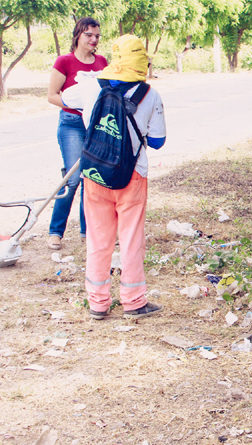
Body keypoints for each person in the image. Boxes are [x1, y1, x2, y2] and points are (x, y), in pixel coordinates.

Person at [61, 35, 166, 320]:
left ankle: (97, 303)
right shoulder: (149, 94)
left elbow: (62, 99)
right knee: (131, 240)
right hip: (132, 175)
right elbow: (158, 141)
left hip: (95, 174)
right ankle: (133, 302)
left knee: (97, 240)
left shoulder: (88, 86)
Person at [46, 17, 108, 250]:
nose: (93, 40)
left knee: (91, 178)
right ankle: (55, 232)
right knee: (71, 179)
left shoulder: (101, 62)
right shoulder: (65, 61)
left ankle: (87, 231)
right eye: (89, 35)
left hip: (95, 125)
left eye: (97, 36)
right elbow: (52, 95)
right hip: (72, 123)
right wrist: (75, 104)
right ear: (78, 36)